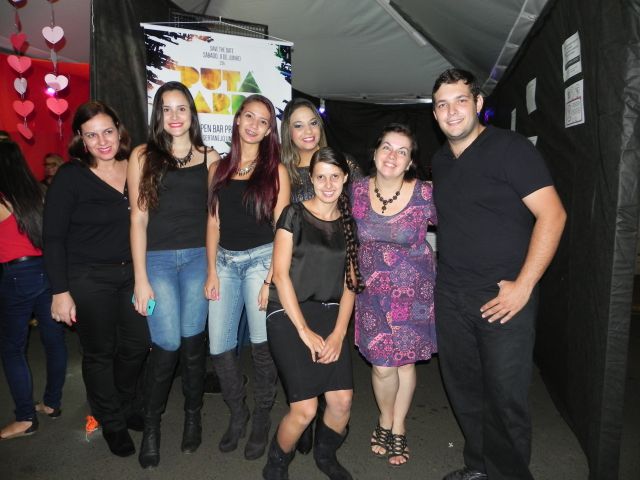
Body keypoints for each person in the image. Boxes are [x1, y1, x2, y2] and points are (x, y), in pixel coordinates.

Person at [430, 68, 566, 480]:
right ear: (434, 114)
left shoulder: (511, 149)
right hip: (451, 295)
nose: (451, 111)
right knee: (465, 391)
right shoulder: (440, 161)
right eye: (442, 105)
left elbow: (553, 215)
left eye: (460, 100)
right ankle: (479, 467)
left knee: (505, 399)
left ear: (477, 103)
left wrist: (524, 286)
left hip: (503, 297)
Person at [43, 102, 150, 456]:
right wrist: (60, 291)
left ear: (119, 130)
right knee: (100, 352)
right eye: (91, 135)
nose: (102, 141)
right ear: (81, 139)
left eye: (107, 131)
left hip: (131, 273)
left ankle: (120, 401)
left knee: (137, 344)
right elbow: (53, 238)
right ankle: (113, 421)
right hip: (88, 276)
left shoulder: (134, 166)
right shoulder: (70, 176)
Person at [128, 81, 219, 468]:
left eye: (181, 108)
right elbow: (138, 219)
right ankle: (152, 426)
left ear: (192, 114)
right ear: (158, 115)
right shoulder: (142, 155)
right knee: (165, 344)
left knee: (193, 344)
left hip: (198, 259)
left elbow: (214, 219)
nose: (175, 116)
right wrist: (140, 278)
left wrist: (213, 269)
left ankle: (193, 416)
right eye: (166, 109)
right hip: (158, 261)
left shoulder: (210, 157)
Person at [262, 147, 365, 480]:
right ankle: (276, 463)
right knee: (305, 409)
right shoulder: (293, 214)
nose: (328, 184)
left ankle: (325, 455)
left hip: (330, 313)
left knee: (342, 402)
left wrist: (339, 334)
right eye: (321, 177)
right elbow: (280, 276)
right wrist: (304, 330)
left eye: (335, 176)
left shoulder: (349, 224)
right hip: (288, 313)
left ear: (345, 178)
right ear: (311, 178)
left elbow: (351, 284)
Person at [205, 94, 290, 461]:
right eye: (249, 116)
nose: (254, 125)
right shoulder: (218, 169)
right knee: (219, 348)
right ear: (238, 120)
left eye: (263, 121)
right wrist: (211, 270)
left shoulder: (276, 172)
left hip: (261, 261)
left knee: (261, 349)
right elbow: (213, 223)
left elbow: (283, 229)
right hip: (224, 263)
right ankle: (238, 412)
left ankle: (261, 417)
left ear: (269, 130)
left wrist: (272, 278)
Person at [351, 123, 438, 466]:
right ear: (374, 152)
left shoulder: (425, 194)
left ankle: (397, 425)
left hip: (412, 292)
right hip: (371, 293)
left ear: (410, 161)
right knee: (382, 366)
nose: (392, 156)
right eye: (387, 147)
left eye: (402, 151)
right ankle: (384, 416)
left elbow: (464, 222)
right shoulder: (356, 190)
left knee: (405, 363)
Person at [0, 141, 67, 439]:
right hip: (47, 270)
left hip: (17, 275)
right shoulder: (39, 193)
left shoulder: (3, 199)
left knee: (12, 348)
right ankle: (51, 403)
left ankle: (25, 417)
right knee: (54, 341)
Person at [281, 97, 362, 204]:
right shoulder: (281, 171)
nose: (308, 131)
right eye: (298, 126)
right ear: (288, 131)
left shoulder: (345, 162)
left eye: (313, 123)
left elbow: (364, 206)